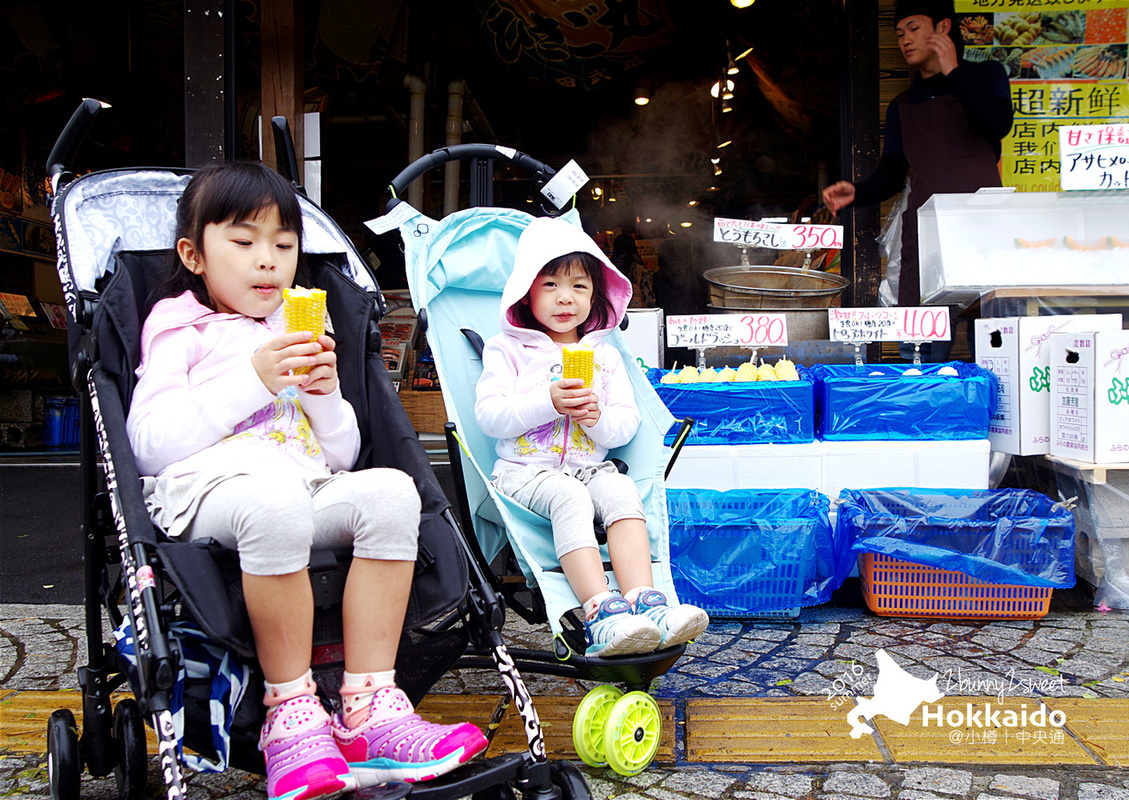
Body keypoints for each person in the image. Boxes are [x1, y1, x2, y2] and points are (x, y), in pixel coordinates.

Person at [126, 162, 486, 800]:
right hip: (208, 491)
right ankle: (288, 712)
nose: (268, 261)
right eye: (243, 243)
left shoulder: (299, 330)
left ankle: (369, 701)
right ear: (195, 255)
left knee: (390, 493)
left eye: (284, 246)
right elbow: (152, 445)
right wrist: (254, 381)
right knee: (273, 507)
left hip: (301, 488)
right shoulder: (180, 329)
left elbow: (340, 455)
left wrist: (322, 396)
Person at [475, 216, 709, 657]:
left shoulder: (604, 356)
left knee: (620, 488)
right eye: (550, 286)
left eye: (579, 287)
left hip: (590, 467)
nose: (566, 298)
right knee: (570, 498)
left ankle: (646, 601)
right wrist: (548, 401)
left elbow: (625, 427)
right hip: (525, 473)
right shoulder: (506, 349)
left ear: (595, 296)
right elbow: (490, 417)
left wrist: (595, 417)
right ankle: (601, 611)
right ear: (526, 292)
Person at [822, 0, 1013, 308]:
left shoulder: (986, 75)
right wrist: (855, 192)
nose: (905, 41)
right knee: (921, 345)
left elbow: (998, 123)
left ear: (943, 28)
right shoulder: (902, 105)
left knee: (989, 332)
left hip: (983, 227)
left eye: (913, 29)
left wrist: (953, 70)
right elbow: (891, 176)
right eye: (899, 34)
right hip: (927, 236)